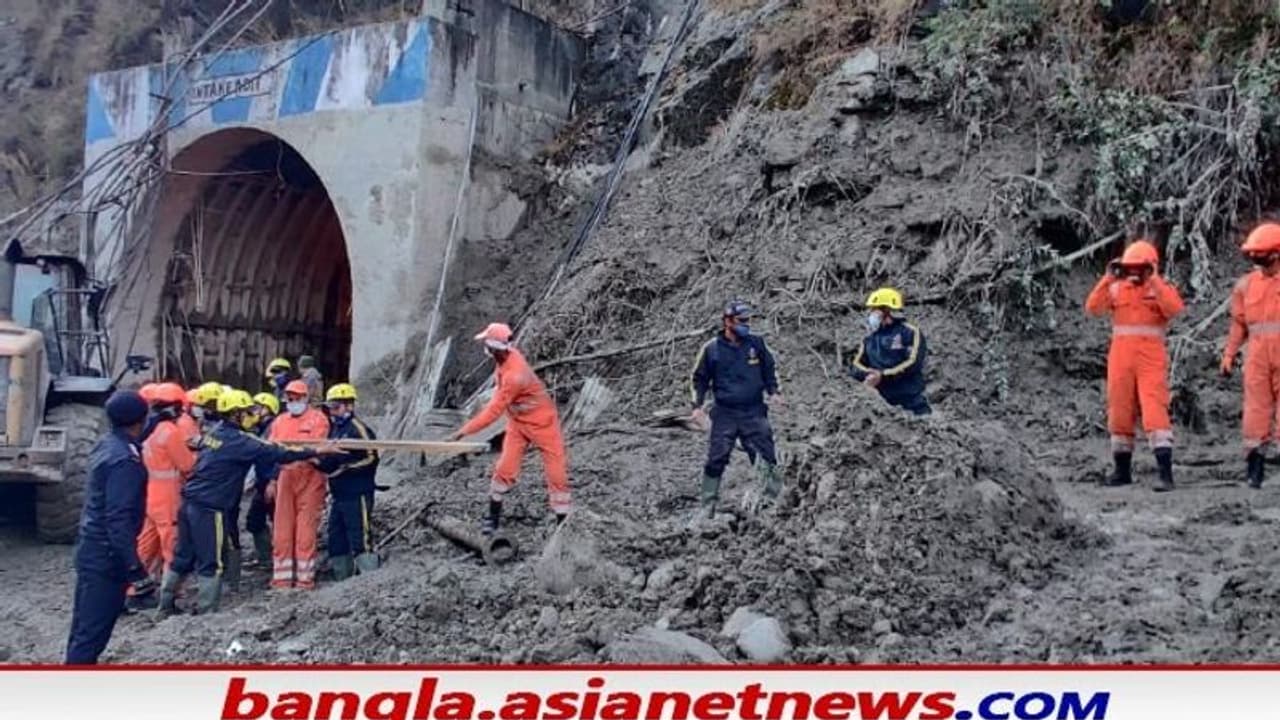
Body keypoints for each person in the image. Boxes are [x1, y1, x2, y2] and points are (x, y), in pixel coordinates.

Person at [159, 390, 334, 614]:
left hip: (190, 501)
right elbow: (278, 452)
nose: (252, 415)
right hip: (211, 507)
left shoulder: (215, 433)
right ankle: (206, 609)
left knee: (182, 554)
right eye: (247, 412)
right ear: (235, 415)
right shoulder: (241, 441)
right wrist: (317, 450)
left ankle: (164, 604)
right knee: (211, 560)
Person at [448, 323, 571, 534]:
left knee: (554, 465)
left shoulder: (515, 375)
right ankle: (493, 518)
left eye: (487, 344)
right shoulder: (505, 356)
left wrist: (463, 431)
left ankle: (563, 520)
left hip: (542, 421)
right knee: (506, 465)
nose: (484, 348)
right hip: (518, 420)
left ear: (495, 349)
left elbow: (493, 412)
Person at [1086, 239, 1185, 491]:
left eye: (1137, 268)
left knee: (1154, 411)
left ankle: (1165, 474)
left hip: (1150, 358)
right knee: (1119, 411)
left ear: (1149, 267)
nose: (1132, 273)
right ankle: (1121, 471)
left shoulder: (1160, 289)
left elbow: (1174, 309)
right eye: (1128, 268)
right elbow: (1093, 307)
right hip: (1121, 357)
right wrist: (1108, 278)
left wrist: (1154, 281)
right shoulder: (1118, 289)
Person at [65, 391, 152, 664]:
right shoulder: (125, 461)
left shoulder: (106, 444)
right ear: (140, 420)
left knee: (82, 632)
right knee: (91, 637)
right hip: (106, 559)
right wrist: (135, 569)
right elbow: (119, 519)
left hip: (91, 549)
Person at [689, 300, 783, 518]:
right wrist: (697, 406)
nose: (746, 325)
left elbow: (769, 369)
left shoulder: (756, 344)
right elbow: (699, 379)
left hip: (754, 411)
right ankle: (707, 505)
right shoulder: (712, 349)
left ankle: (772, 502)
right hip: (725, 413)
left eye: (748, 321)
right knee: (716, 458)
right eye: (741, 321)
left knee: (766, 456)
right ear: (727, 321)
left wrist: (774, 392)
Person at [127, 383, 197, 611]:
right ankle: (169, 598)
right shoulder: (170, 431)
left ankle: (134, 590)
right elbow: (187, 465)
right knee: (171, 548)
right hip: (168, 498)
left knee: (145, 545)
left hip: (149, 495)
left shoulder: (146, 431)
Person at [1222, 222, 1280, 489]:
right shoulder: (1245, 286)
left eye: (1262, 254)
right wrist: (1229, 354)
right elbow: (1238, 324)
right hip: (1257, 354)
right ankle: (1254, 471)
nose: (1257, 260)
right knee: (1255, 412)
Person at [267, 380, 331, 590]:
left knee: (305, 531)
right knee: (282, 531)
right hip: (286, 475)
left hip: (310, 477)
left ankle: (304, 580)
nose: (292, 401)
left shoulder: (318, 419)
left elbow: (315, 448)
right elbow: (273, 451)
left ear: (305, 398)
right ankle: (282, 579)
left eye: (297, 397)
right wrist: (273, 479)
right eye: (289, 398)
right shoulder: (279, 422)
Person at [318, 383, 381, 579]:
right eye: (330, 408)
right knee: (336, 539)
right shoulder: (335, 429)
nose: (332, 412)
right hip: (339, 494)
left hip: (357, 492)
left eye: (336, 407)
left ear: (349, 406)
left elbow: (371, 457)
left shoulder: (358, 429)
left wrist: (346, 469)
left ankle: (370, 580)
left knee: (360, 537)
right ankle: (341, 580)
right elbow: (330, 461)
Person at [847, 288, 931, 416]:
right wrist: (869, 374)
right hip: (881, 406)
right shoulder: (869, 339)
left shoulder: (910, 332)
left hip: (911, 402)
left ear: (886, 310)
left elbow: (914, 363)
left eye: (874, 309)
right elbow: (856, 366)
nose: (871, 313)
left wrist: (883, 375)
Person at [244, 392, 280, 567]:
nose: (253, 412)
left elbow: (279, 456)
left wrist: (273, 480)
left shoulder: (274, 428)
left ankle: (280, 558)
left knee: (278, 521)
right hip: (262, 482)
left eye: (258, 408)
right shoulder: (259, 430)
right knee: (254, 521)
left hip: (272, 482)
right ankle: (267, 558)